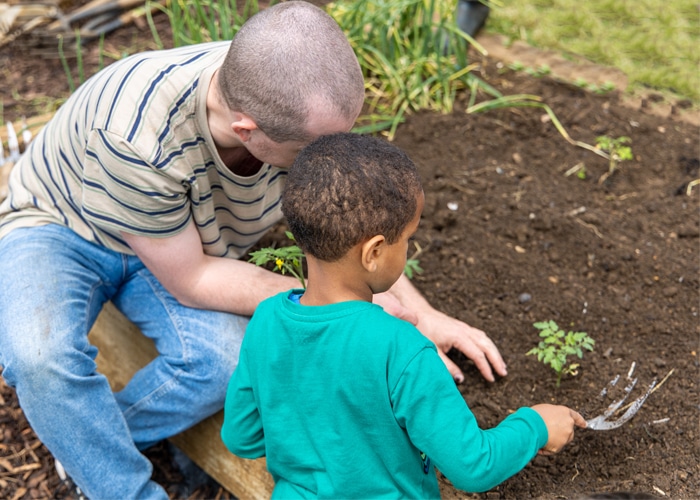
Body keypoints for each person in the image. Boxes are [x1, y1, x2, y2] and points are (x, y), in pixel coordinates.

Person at [0, 2, 506, 498]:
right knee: (40, 356)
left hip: (179, 239)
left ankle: (93, 440)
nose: (333, 159)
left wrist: (424, 314)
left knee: (226, 360)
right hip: (64, 227)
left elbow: (352, 226)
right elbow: (192, 279)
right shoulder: (136, 137)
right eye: (316, 152)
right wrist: (337, 307)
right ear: (248, 131)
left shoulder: (288, 87)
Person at [221, 132, 586, 498]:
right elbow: (473, 465)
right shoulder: (401, 348)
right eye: (409, 238)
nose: (410, 248)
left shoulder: (267, 319)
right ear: (374, 252)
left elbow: (241, 437)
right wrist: (536, 424)